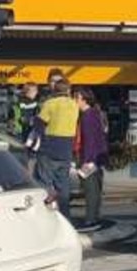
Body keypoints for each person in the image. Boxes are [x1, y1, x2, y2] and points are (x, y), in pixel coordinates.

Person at [33, 79, 79, 219]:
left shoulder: (50, 103)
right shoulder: (74, 105)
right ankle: (65, 216)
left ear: (54, 90)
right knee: (63, 183)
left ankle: (46, 215)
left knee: (43, 180)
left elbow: (39, 124)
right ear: (68, 90)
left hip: (50, 146)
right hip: (66, 148)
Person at [73, 87, 109, 231]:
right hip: (95, 158)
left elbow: (89, 140)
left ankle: (91, 219)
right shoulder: (94, 114)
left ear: (84, 99)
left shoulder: (87, 116)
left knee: (91, 189)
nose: (74, 100)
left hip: (90, 158)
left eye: (76, 97)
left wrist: (87, 160)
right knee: (94, 189)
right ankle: (93, 216)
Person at [9, 83, 41, 172]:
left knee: (21, 156)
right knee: (31, 156)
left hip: (18, 131)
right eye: (35, 91)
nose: (37, 93)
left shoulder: (17, 103)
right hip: (30, 132)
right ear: (29, 92)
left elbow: (11, 118)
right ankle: (29, 175)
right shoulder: (34, 104)